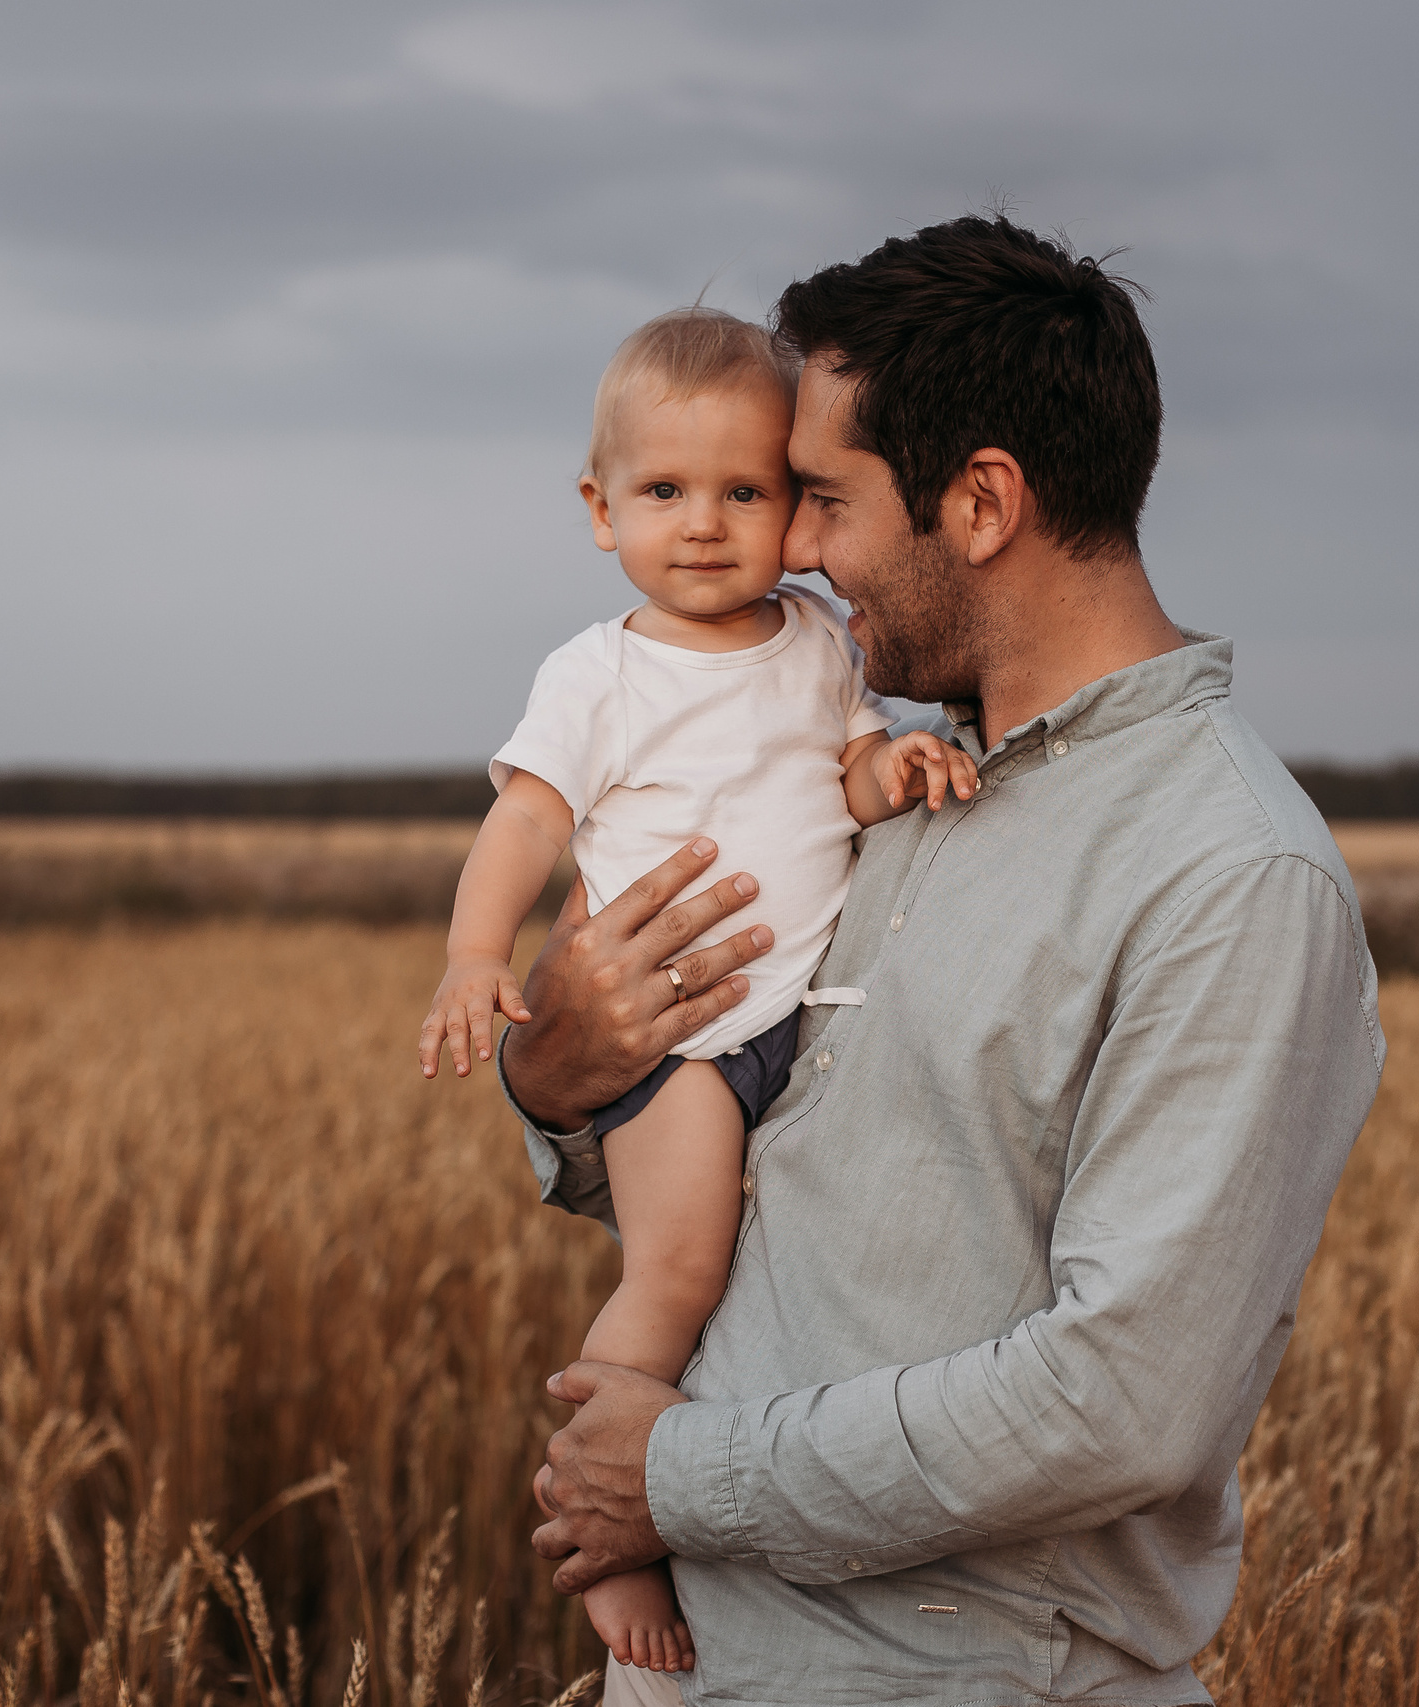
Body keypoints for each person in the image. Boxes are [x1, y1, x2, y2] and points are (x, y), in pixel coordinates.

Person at [502, 217, 1386, 1707]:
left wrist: (674, 1480)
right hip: (709, 1672)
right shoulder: (898, 784)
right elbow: (766, 1206)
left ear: (980, 502)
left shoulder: (1232, 876)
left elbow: (1125, 1404)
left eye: (824, 499)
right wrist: (559, 1077)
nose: (793, 550)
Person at [416, 305, 977, 1675]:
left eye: (746, 491)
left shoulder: (819, 648)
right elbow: (530, 827)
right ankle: (607, 1531)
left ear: (796, 512)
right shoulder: (597, 675)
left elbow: (841, 777)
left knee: (765, 1279)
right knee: (675, 1271)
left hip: (802, 1025)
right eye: (666, 492)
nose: (708, 523)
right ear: (601, 511)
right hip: (683, 1046)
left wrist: (896, 772)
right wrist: (476, 957)